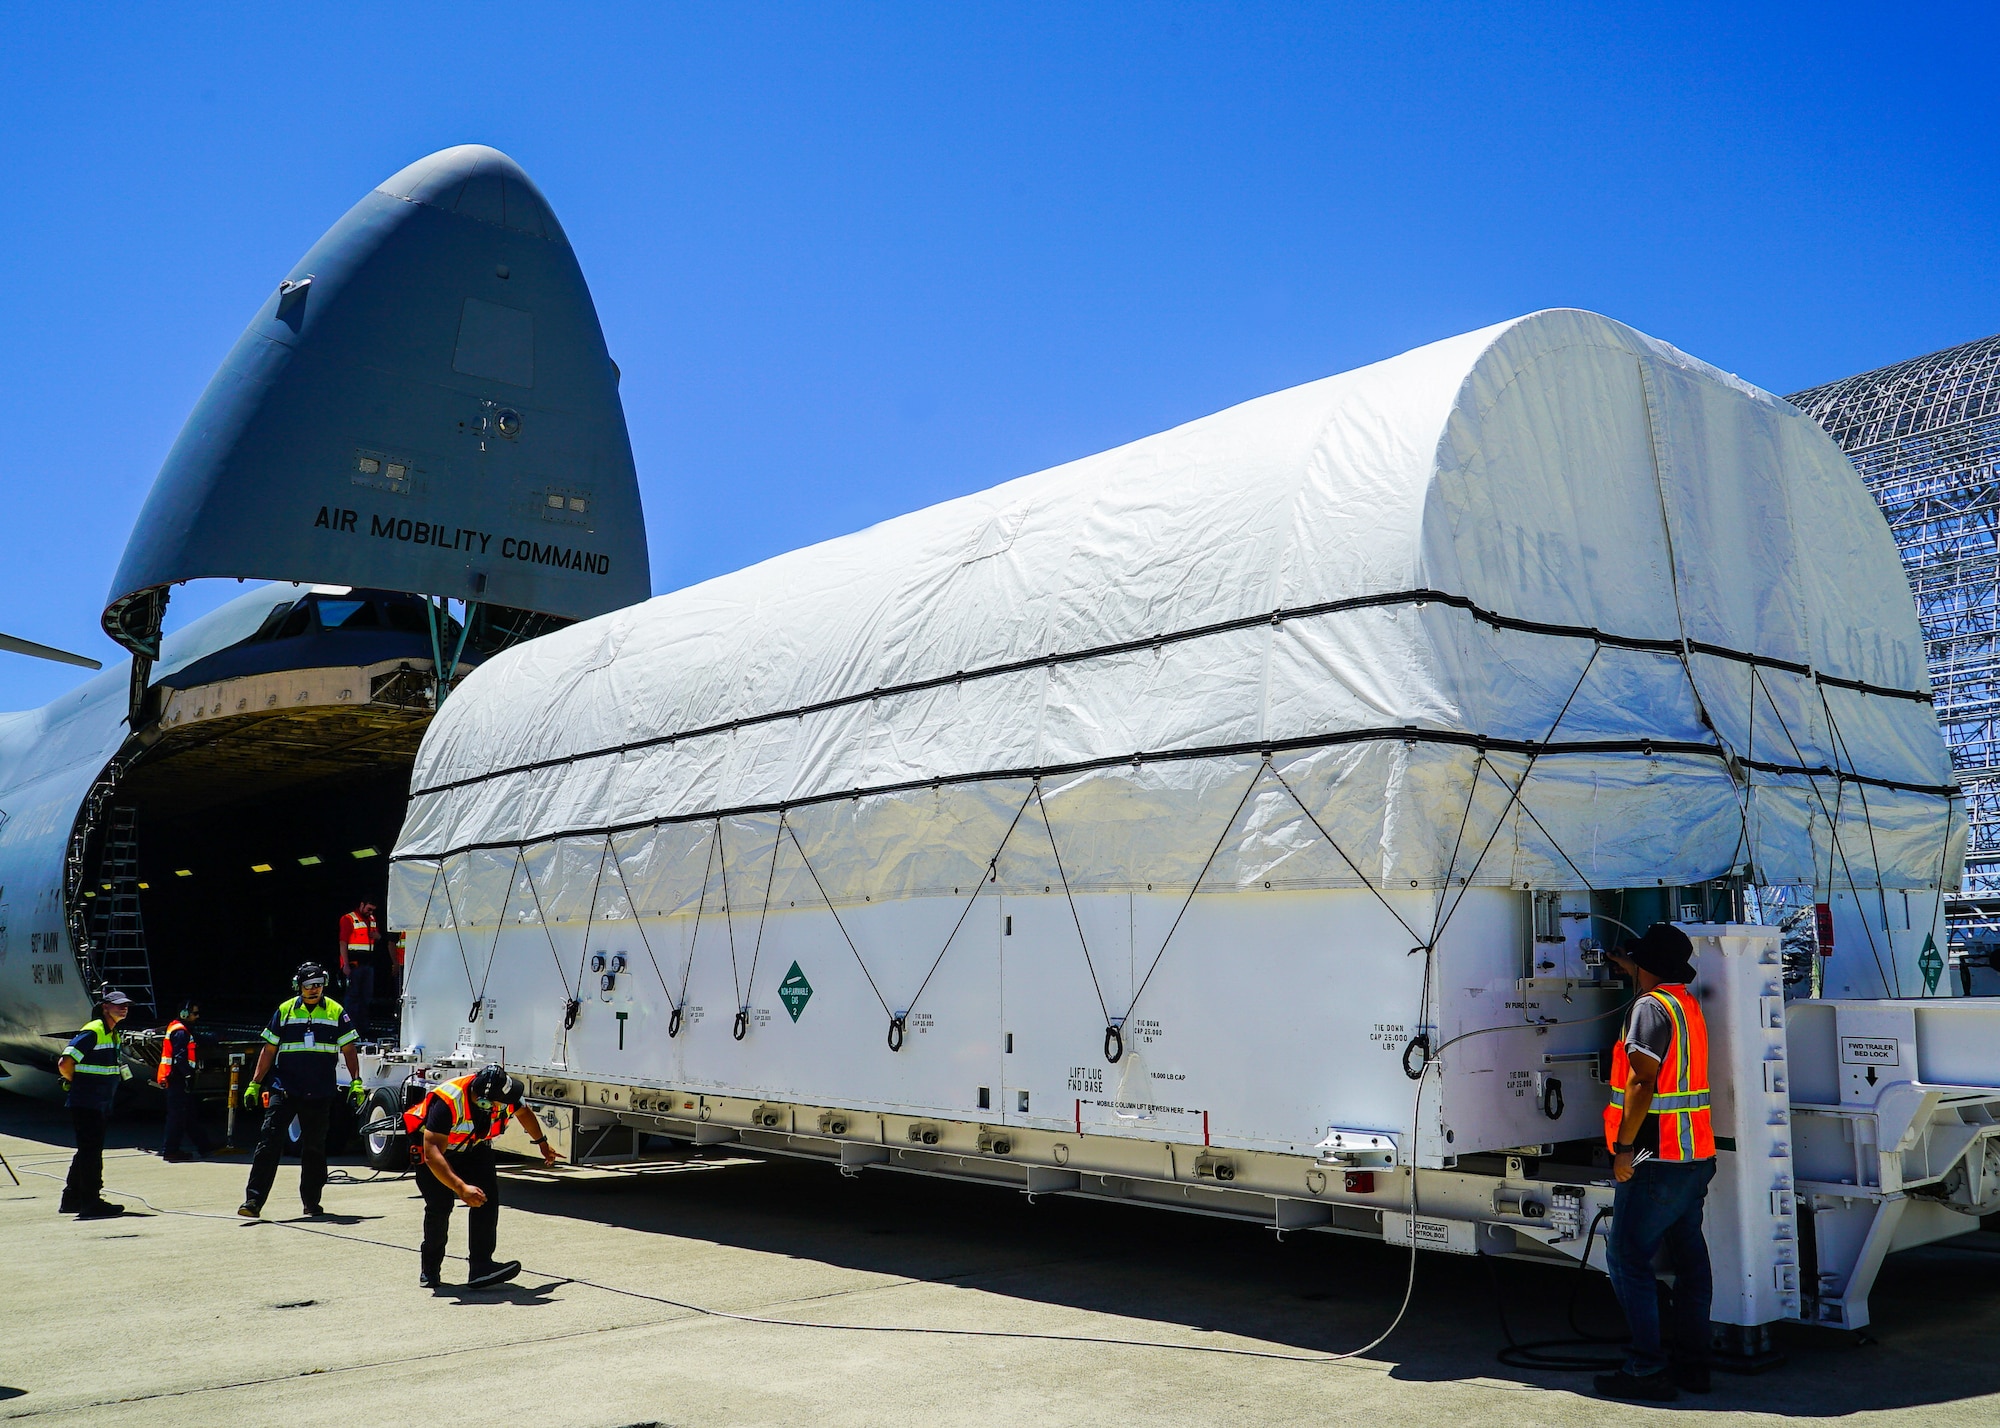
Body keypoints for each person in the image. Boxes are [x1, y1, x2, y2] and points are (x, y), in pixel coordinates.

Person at [1595, 922, 1716, 1403]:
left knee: (1627, 1258)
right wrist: (1628, 962)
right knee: (1690, 1262)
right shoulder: (1683, 1004)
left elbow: (1643, 1083)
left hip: (1654, 1156)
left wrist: (1624, 1150)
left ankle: (1646, 1369)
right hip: (1694, 1155)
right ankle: (1694, 1365)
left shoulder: (1648, 1008)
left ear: (1648, 966)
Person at [404, 1063, 559, 1289]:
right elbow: (432, 1152)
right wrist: (460, 1188)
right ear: (485, 1101)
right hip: (435, 1152)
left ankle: (481, 1267)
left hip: (474, 1147)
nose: (509, 1104)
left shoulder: (503, 1093)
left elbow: (524, 1112)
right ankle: (430, 1269)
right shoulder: (447, 1101)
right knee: (440, 1206)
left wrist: (542, 1143)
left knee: (486, 1200)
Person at [238, 962, 367, 1219]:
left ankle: (311, 1202)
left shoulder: (335, 1011)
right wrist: (255, 1082)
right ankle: (253, 1201)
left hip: (319, 1093)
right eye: (308, 985)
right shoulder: (285, 1011)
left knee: (315, 1150)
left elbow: (349, 1049)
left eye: (318, 984)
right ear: (299, 986)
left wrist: (356, 1081)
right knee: (268, 1145)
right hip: (284, 1090)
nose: (314, 990)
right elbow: (269, 1050)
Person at [57, 988, 135, 1218]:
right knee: (91, 1153)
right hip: (87, 1101)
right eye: (118, 1004)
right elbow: (65, 1062)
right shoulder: (94, 1030)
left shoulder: (112, 1033)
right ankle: (91, 1202)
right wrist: (78, 1083)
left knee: (86, 1151)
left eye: (126, 1005)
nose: (124, 1008)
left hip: (98, 1101)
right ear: (105, 1007)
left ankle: (71, 1198)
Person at [156, 999, 215, 1161]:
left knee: (188, 1115)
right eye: (194, 1013)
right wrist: (188, 1075)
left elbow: (197, 1039)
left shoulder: (181, 1029)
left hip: (177, 1079)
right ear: (184, 1014)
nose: (197, 1016)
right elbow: (180, 1057)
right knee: (177, 1117)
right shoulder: (180, 1032)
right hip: (177, 1079)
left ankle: (204, 1147)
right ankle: (170, 1150)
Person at [337, 900, 380, 1034]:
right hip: (354, 965)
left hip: (368, 965)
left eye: (373, 910)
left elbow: (377, 936)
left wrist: (378, 936)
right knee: (352, 999)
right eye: (368, 909)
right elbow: (343, 943)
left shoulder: (372, 919)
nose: (370, 912)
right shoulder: (348, 919)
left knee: (366, 998)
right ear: (361, 905)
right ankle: (350, 1029)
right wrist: (345, 964)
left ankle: (363, 1029)